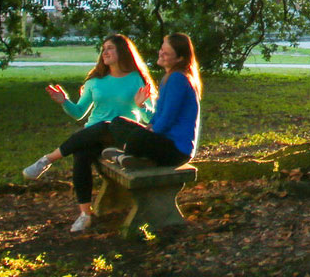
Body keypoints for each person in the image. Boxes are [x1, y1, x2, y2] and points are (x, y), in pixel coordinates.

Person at [22, 32, 202, 233]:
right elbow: (159, 119)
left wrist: (145, 122)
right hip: (144, 140)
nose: (160, 53)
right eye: (161, 49)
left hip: (170, 147)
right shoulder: (170, 77)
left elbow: (163, 120)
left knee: (114, 124)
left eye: (166, 51)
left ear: (179, 58)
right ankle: (85, 212)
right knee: (84, 150)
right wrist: (64, 101)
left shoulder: (173, 79)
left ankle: (50, 159)